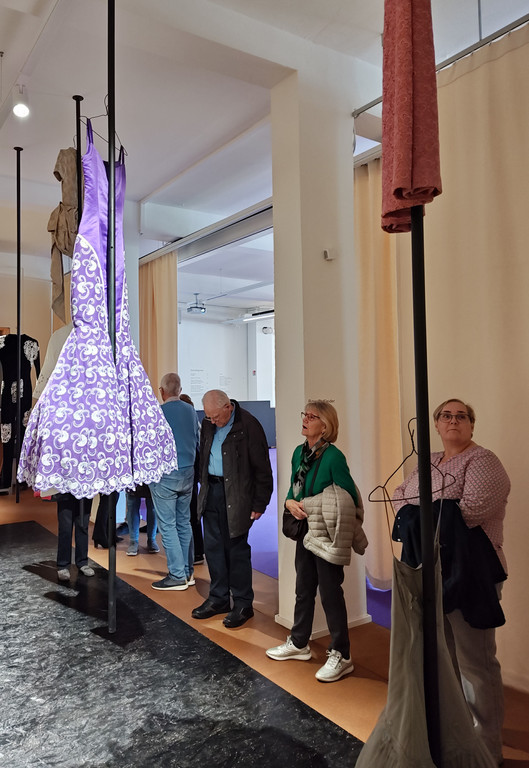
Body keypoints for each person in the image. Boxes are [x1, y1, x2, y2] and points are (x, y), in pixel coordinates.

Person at [392, 398, 510, 765]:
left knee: (476, 665)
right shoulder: (428, 461)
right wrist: (436, 505)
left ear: (472, 425)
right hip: (431, 573)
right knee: (444, 660)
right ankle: (460, 738)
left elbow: (470, 510)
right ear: (437, 425)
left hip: (473, 575)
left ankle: (487, 748)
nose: (453, 420)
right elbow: (397, 499)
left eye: (461, 416)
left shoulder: (484, 461)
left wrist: (422, 507)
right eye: (446, 415)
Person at [266, 400, 361, 682]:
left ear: (326, 425)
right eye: (305, 414)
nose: (305, 419)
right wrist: (289, 503)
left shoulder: (334, 457)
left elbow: (348, 497)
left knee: (330, 591)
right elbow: (293, 488)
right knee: (303, 588)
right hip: (304, 530)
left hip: (327, 532)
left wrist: (313, 504)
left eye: (312, 416)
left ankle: (342, 654)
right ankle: (299, 643)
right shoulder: (299, 452)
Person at [191, 390, 273, 628]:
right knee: (213, 548)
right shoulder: (209, 424)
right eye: (209, 417)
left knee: (236, 550)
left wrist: (260, 502)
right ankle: (218, 598)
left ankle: (243, 603)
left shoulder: (249, 425)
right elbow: (203, 457)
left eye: (216, 417)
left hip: (237, 496)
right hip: (212, 491)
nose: (213, 421)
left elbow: (262, 468)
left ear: (228, 406)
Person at [149, 373, 200, 591]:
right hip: (188, 472)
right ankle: (188, 572)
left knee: (168, 525)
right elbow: (197, 439)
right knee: (184, 522)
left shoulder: (158, 413)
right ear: (180, 390)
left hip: (165, 474)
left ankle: (177, 575)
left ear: (162, 391)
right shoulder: (190, 411)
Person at [180, 393, 204, 565]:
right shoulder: (196, 425)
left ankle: (192, 553)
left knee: (187, 515)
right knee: (193, 513)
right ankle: (197, 552)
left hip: (189, 473)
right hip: (194, 474)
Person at [55, 493, 95, 580]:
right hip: (65, 490)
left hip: (85, 490)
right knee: (65, 528)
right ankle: (63, 565)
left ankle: (82, 562)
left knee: (83, 526)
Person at [125, 484, 159, 555]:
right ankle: (133, 541)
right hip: (133, 478)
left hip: (152, 479)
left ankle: (152, 539)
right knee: (132, 505)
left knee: (153, 507)